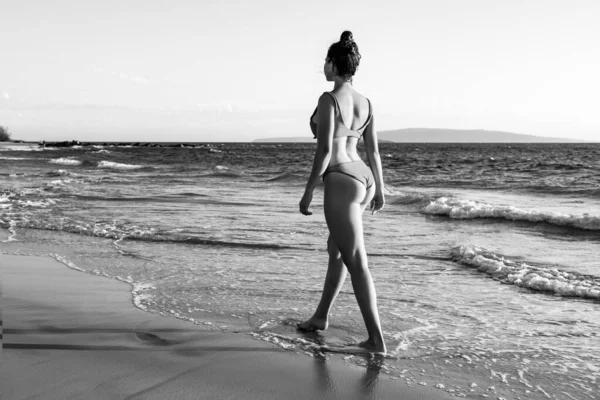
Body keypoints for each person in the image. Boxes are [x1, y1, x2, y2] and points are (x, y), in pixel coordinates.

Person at [298, 31, 386, 355]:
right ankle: (321, 317)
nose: (323, 65)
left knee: (357, 261)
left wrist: (308, 191)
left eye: (325, 60)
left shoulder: (327, 99)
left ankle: (376, 341)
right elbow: (374, 152)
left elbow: (323, 151)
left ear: (334, 65)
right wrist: (380, 190)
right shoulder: (367, 103)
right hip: (364, 178)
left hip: (341, 179)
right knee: (336, 249)